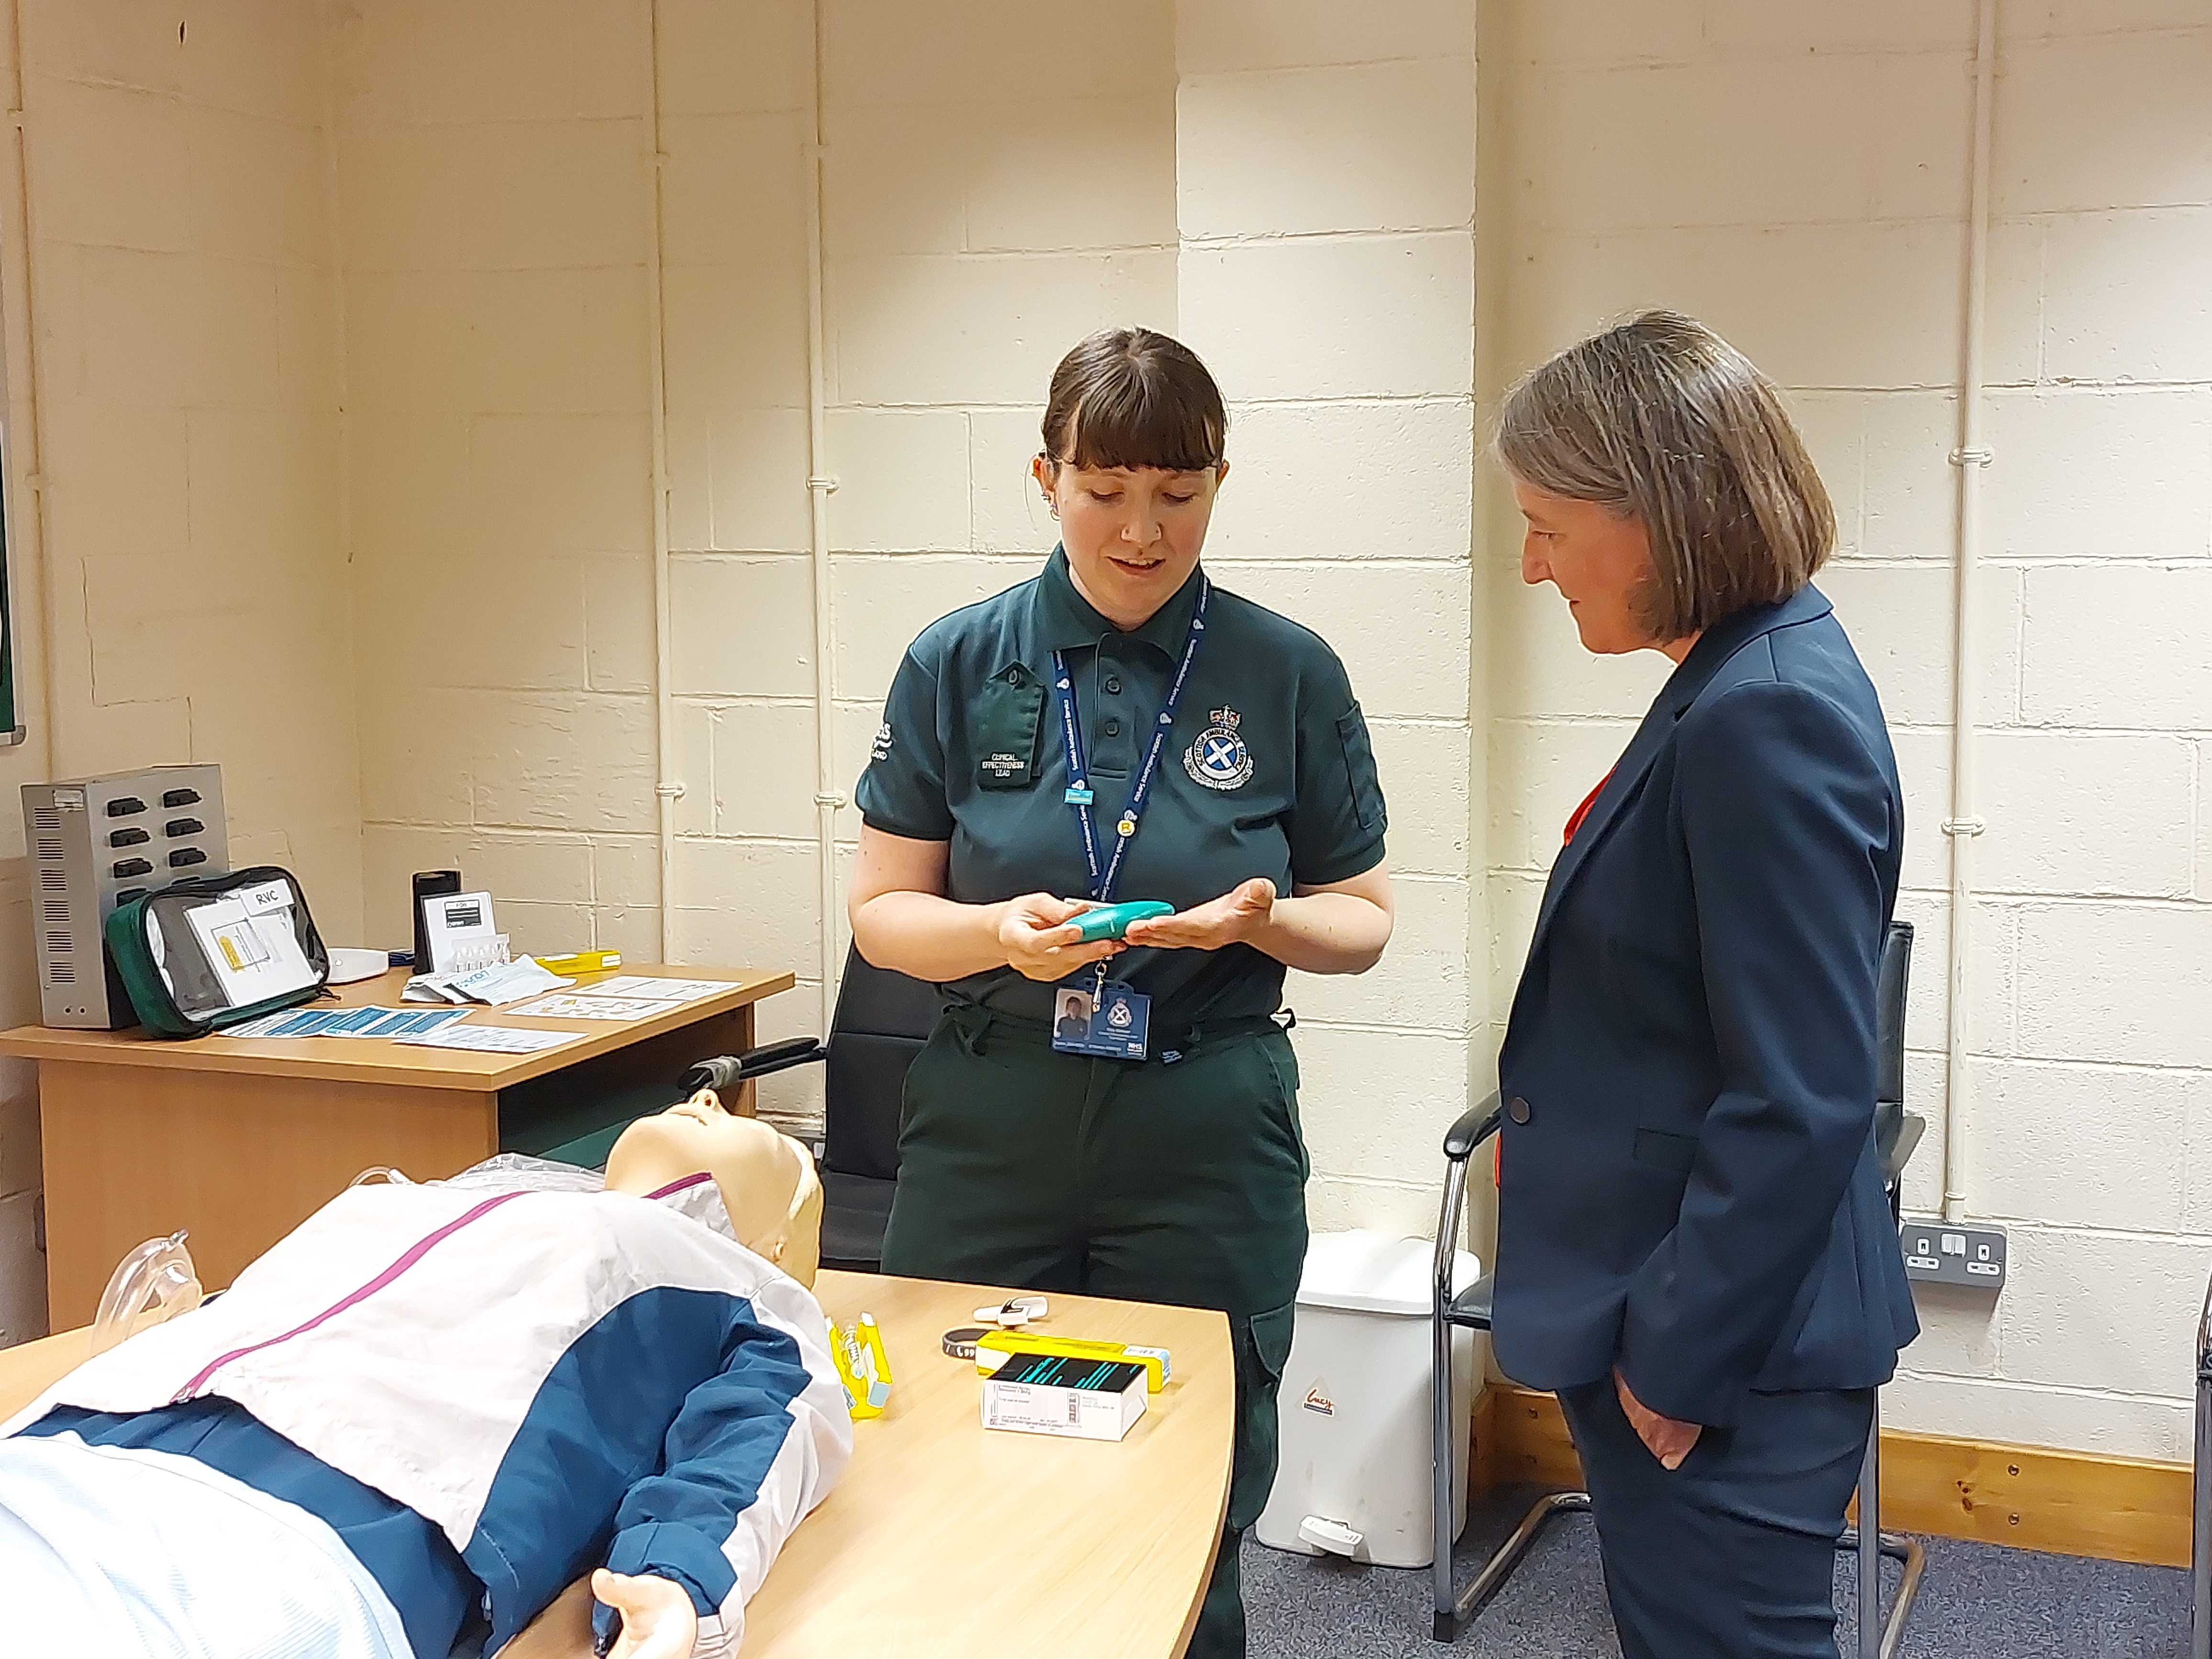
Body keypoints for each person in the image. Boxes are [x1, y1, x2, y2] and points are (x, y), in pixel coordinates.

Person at [849, 325, 1394, 1656]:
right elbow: (882, 916)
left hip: (1202, 1118)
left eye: (1178, 493)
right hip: (997, 1112)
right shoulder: (958, 661)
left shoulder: (1287, 669)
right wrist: (990, 931)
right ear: (1047, 476)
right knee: (955, 1434)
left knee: (1191, 1463)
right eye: (1106, 493)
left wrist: (1260, 924)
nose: (1143, 531)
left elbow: (1365, 921)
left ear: (1218, 480)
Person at [1490, 310, 1920, 1659]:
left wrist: (1674, 1357)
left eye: (1551, 520)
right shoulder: (1736, 674)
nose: (1532, 562)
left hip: (1724, 1349)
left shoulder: (1765, 709)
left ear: (1665, 511)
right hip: (1695, 1312)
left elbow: (1804, 1091)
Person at [0, 1093, 850, 1659]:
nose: (707, 1097)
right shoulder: (426, 1197)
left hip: (306, 1541)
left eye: (772, 1138)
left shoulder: (737, 1289)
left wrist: (677, 1585)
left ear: (775, 1243)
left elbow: (753, 1441)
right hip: (67, 1453)